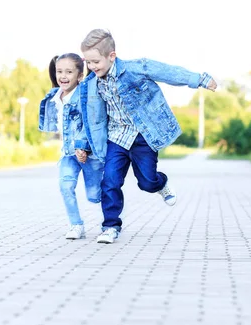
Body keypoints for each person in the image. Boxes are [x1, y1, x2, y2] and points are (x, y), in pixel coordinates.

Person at [76, 29, 218, 244]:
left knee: (147, 182)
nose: (92, 67)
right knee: (110, 181)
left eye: (95, 61)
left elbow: (167, 72)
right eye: (88, 62)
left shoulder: (136, 68)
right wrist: (82, 144)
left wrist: (199, 79)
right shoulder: (91, 84)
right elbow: (89, 118)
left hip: (143, 136)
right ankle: (110, 226)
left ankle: (161, 184)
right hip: (116, 138)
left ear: (111, 56)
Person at [39, 53, 104, 240]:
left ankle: (111, 221)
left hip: (89, 155)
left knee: (95, 195)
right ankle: (76, 225)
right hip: (68, 154)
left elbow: (90, 122)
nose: (63, 76)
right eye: (59, 71)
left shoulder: (85, 96)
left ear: (79, 76)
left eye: (69, 71)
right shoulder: (54, 95)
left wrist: (82, 147)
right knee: (65, 186)